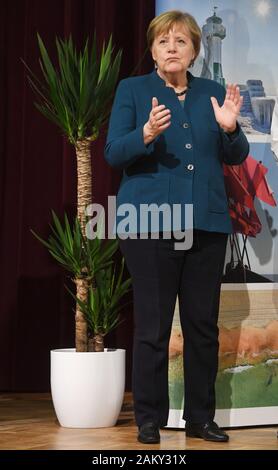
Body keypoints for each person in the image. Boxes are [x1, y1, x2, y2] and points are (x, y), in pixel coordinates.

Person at [104, 10, 249, 444]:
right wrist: (145, 133)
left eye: (181, 41)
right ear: (152, 50)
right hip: (150, 225)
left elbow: (236, 155)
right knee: (153, 326)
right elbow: (114, 152)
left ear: (193, 51)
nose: (172, 47)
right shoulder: (133, 90)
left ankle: (200, 418)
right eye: (164, 41)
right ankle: (149, 418)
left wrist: (229, 128)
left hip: (205, 222)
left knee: (202, 325)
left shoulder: (212, 92)